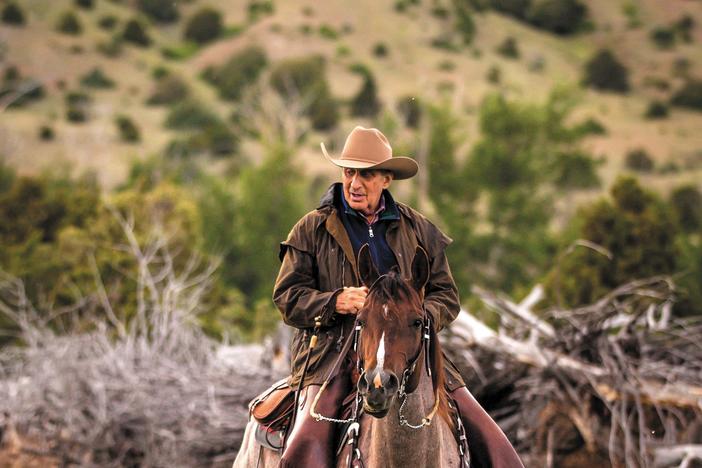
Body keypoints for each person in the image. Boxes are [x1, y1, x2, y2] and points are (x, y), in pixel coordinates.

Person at [273, 126, 524, 468]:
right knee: (306, 443)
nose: (355, 184)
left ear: (386, 179)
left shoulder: (419, 229)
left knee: (493, 443)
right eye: (349, 173)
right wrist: (334, 302)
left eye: (367, 174)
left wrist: (416, 316)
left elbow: (447, 295)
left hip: (411, 348)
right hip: (333, 353)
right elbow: (287, 297)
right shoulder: (311, 229)